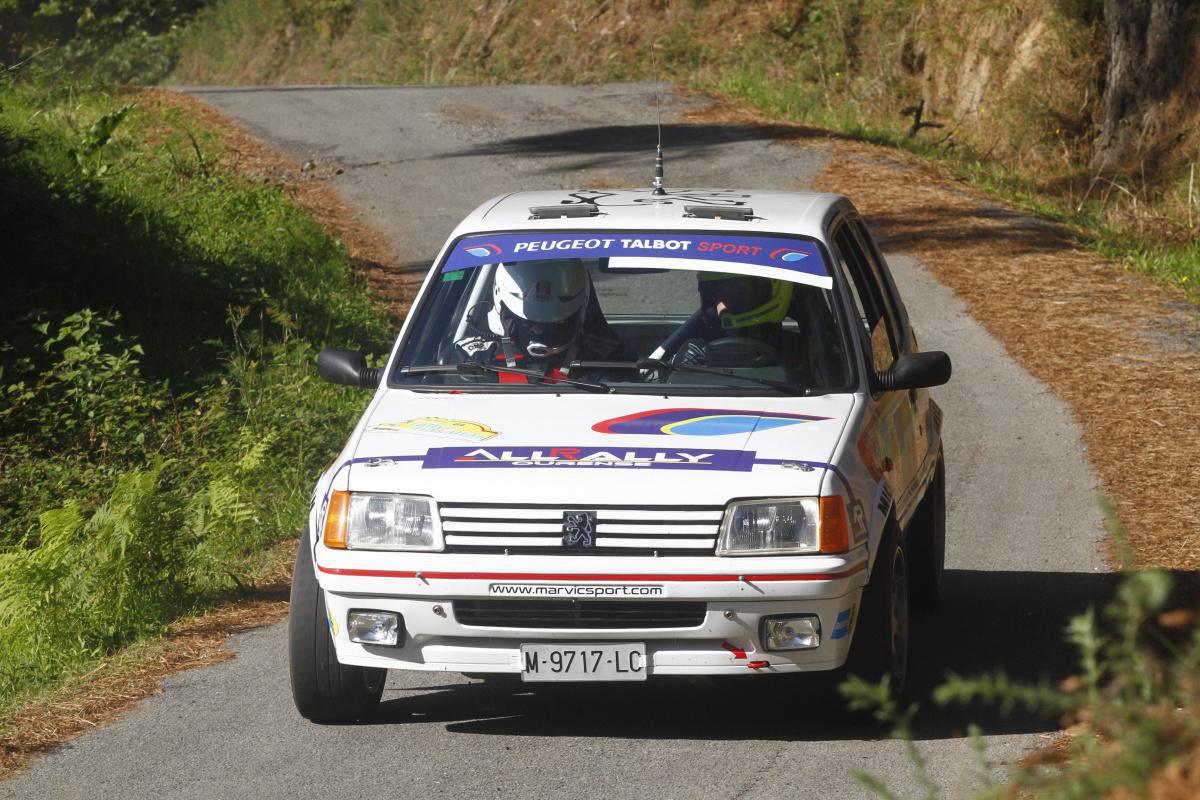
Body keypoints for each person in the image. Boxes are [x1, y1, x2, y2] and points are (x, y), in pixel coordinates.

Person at [454, 259, 629, 381]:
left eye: (555, 324)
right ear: (502, 310)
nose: (539, 332)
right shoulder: (474, 355)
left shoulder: (606, 357)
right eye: (528, 324)